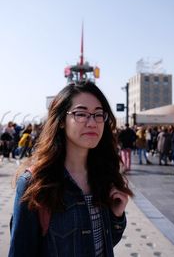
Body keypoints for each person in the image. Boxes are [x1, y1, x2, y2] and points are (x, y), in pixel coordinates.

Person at [8, 81, 133, 257]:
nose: (92, 122)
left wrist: (117, 216)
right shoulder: (36, 183)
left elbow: (100, 244)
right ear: (61, 121)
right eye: (81, 114)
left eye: (98, 114)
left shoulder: (104, 176)